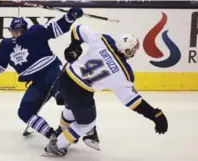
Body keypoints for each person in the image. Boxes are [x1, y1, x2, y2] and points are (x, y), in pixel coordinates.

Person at [44, 24, 168, 156]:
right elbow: (133, 102)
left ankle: (61, 130)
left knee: (70, 107)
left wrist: (74, 47)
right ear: (130, 51)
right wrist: (154, 114)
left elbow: (78, 29)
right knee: (86, 124)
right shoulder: (124, 73)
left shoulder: (104, 40)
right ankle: (56, 145)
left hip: (65, 77)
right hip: (80, 92)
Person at [0, 7, 84, 140]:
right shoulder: (6, 46)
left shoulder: (35, 32)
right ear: (10, 31)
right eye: (15, 31)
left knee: (64, 98)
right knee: (24, 112)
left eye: (21, 31)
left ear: (26, 29)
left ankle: (82, 128)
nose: (18, 34)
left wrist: (70, 17)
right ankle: (52, 136)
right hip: (37, 83)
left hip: (52, 73)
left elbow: (56, 28)